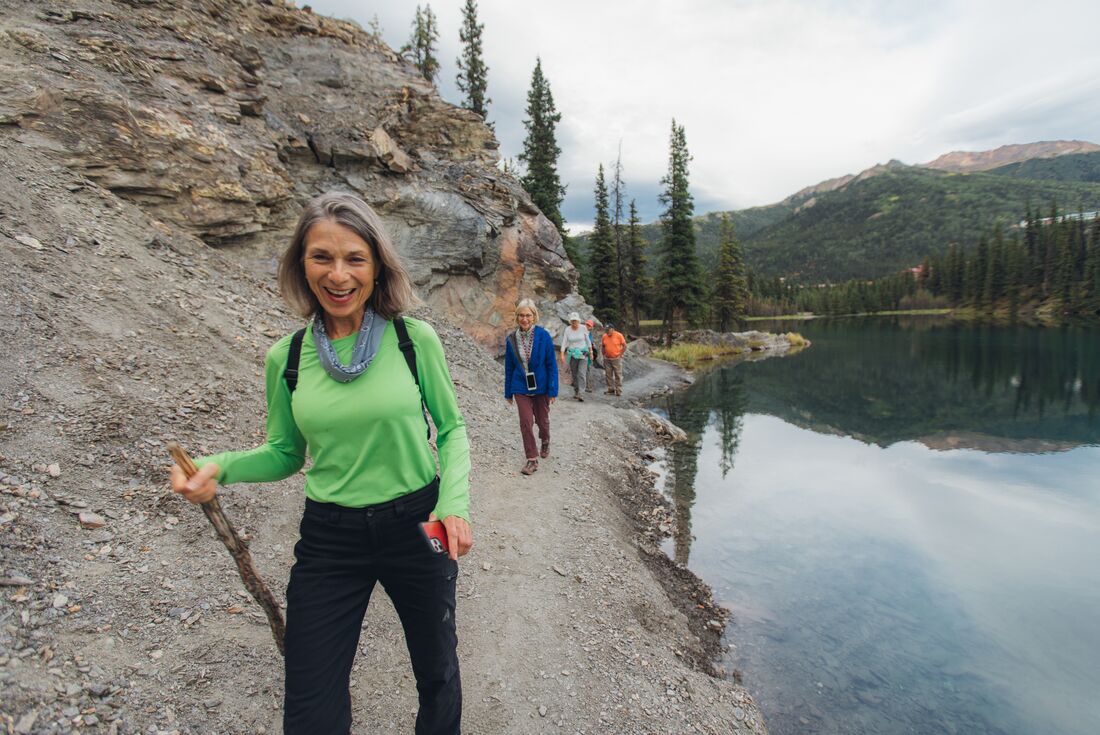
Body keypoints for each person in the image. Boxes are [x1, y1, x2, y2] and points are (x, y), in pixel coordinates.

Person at [169, 192, 473, 735]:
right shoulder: (285, 358)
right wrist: (218, 466)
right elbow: (285, 454)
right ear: (300, 265)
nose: (338, 275)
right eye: (321, 257)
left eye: (354, 258)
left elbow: (451, 431)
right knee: (310, 697)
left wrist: (453, 505)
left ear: (377, 265)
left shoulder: (413, 340)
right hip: (330, 539)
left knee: (438, 669)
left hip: (420, 523)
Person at [503, 299, 558, 475]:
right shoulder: (511, 339)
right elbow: (509, 367)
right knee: (526, 422)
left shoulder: (543, 336)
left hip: (541, 385)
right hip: (520, 385)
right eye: (521, 315)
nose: (524, 319)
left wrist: (552, 389)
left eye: (528, 315)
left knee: (543, 422)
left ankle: (546, 440)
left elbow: (551, 364)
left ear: (534, 316)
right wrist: (508, 392)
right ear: (517, 317)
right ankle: (532, 459)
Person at [559, 312, 589, 401]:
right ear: (570, 321)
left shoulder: (583, 328)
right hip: (572, 354)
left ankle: (581, 393)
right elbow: (564, 342)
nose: (574, 323)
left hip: (583, 353)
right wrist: (562, 354)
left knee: (582, 373)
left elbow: (588, 341)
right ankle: (576, 391)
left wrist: (590, 351)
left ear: (578, 321)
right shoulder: (568, 329)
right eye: (572, 321)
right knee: (574, 373)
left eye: (575, 321)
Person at [601, 323, 627, 396]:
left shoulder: (619, 335)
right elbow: (603, 346)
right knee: (608, 375)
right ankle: (610, 389)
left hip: (616, 358)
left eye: (608, 330)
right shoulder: (604, 336)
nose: (607, 331)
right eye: (606, 330)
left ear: (612, 329)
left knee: (618, 374)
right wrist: (603, 354)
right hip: (607, 358)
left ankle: (618, 390)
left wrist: (620, 355)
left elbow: (624, 346)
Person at [584, 318, 598, 393]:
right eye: (587, 324)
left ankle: (588, 386)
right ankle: (584, 386)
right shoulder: (582, 332)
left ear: (591, 327)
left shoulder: (589, 334)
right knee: (582, 370)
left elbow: (590, 344)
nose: (587, 326)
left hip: (588, 354)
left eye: (589, 325)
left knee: (588, 370)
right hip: (583, 353)